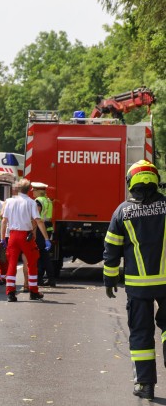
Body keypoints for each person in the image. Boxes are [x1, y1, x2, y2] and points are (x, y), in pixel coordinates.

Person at [103, 160, 166, 401]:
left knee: (141, 333)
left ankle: (145, 384)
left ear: (132, 183)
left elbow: (111, 250)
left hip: (138, 287)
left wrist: (109, 281)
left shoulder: (122, 212)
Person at [0, 179, 51, 302]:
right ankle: (33, 291)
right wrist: (46, 238)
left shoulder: (10, 202)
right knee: (32, 262)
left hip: (12, 236)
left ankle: (10, 293)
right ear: (29, 190)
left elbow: (4, 220)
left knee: (12, 263)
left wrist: (2, 239)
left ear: (17, 189)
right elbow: (38, 221)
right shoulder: (31, 203)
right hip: (25, 236)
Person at [32, 182, 56, 287]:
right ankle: (50, 279)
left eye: (34, 190)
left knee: (39, 256)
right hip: (48, 228)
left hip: (40, 230)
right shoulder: (48, 201)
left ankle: (40, 279)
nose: (32, 192)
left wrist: (33, 231)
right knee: (45, 256)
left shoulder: (38, 201)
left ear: (38, 191)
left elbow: (36, 218)